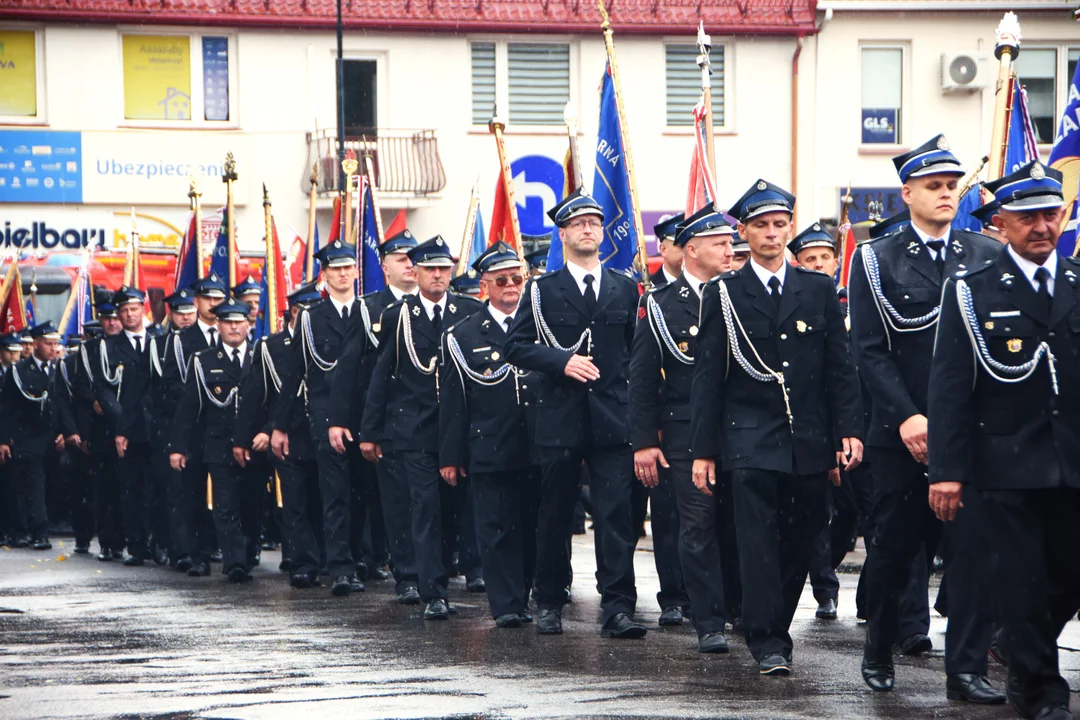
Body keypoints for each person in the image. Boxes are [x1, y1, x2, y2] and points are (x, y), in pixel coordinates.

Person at [849, 135, 1004, 700]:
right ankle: (878, 647)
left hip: (971, 435)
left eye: (951, 186)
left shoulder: (984, 254)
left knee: (973, 553)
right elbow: (869, 350)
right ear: (907, 192)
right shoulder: (876, 257)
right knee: (895, 549)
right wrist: (908, 418)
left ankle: (966, 669)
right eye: (934, 186)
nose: (945, 194)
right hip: (903, 435)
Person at [690, 179, 863, 676]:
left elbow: (839, 367)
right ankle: (768, 640)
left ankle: (770, 620)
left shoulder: (818, 287)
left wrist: (848, 428)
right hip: (748, 437)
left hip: (808, 436)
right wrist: (704, 450)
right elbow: (708, 378)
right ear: (743, 231)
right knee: (757, 538)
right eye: (761, 225)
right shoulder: (724, 293)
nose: (771, 233)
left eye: (779, 224)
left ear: (790, 226)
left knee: (803, 534)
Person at [929, 161, 1079, 720]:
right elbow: (949, 391)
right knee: (1018, 580)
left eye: (1050, 213)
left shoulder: (1078, 282)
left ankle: (1023, 653)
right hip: (1006, 464)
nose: (1041, 226)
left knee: (1068, 575)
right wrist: (947, 470)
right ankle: (1042, 691)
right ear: (1002, 222)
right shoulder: (972, 292)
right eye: (1027, 216)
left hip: (1074, 462)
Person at [505, 188, 647, 640]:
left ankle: (618, 606)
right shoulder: (543, 290)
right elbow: (515, 347)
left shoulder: (625, 286)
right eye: (579, 224)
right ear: (562, 234)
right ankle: (549, 600)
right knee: (556, 515)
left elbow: (633, 353)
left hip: (612, 417)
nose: (588, 229)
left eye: (595, 223)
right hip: (560, 416)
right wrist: (560, 360)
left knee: (616, 517)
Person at [359, 235, 483, 619]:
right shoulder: (400, 315)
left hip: (459, 427)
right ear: (417, 271)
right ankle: (431, 590)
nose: (438, 276)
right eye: (430, 269)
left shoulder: (466, 311)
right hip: (414, 428)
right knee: (423, 508)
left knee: (455, 508)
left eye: (444, 269)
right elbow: (382, 374)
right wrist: (370, 430)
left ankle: (448, 570)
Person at [630, 204, 736, 653]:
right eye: (720, 243)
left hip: (740, 429)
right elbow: (641, 378)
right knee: (697, 526)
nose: (730, 250)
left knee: (741, 525)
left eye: (731, 242)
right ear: (691, 249)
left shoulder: (740, 293)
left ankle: (741, 607)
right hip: (685, 431)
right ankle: (708, 618)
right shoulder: (659, 305)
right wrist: (643, 442)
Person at [439, 241, 540, 627]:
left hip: (534, 444)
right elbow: (453, 401)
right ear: (486, 285)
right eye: (502, 280)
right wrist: (451, 455)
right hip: (489, 446)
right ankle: (507, 605)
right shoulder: (462, 335)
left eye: (518, 278)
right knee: (497, 528)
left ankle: (526, 593)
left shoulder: (538, 323)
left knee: (531, 526)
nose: (512, 286)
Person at [273, 241, 369, 597]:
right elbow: (294, 373)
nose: (343, 274)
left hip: (364, 417)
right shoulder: (312, 318)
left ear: (357, 272)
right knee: (335, 495)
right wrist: (280, 426)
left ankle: (359, 560)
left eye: (348, 268)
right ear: (324, 276)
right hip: (325, 418)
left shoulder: (368, 311)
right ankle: (340, 567)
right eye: (335, 269)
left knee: (362, 494)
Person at [331, 229, 420, 601]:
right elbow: (348, 368)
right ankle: (403, 573)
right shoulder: (368, 308)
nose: (411, 266)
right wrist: (338, 419)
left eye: (414, 258)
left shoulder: (436, 302)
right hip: (383, 418)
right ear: (384, 267)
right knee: (388, 501)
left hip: (429, 418)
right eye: (402, 259)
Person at [237, 282, 324, 588]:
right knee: (295, 502)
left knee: (322, 499)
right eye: (306, 311)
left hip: (321, 430)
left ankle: (326, 558)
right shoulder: (270, 346)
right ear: (294, 312)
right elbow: (255, 395)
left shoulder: (326, 339)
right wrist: (247, 436)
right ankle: (302, 562)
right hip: (286, 433)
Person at [171, 299, 261, 583]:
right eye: (228, 322)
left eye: (239, 321)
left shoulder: (262, 355)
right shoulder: (203, 361)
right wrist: (178, 447)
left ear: (249, 324)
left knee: (253, 505)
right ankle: (235, 562)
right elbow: (188, 408)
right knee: (225, 505)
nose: (234, 327)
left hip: (255, 447)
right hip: (219, 445)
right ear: (218, 325)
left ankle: (247, 554)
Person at [161, 276, 226, 577]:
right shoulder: (181, 341)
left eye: (219, 299)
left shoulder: (234, 334)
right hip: (196, 428)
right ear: (196, 302)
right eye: (208, 299)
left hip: (226, 429)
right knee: (192, 495)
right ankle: (196, 553)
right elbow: (172, 387)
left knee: (230, 494)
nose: (214, 304)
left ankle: (235, 553)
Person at [93, 287, 155, 566]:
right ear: (117, 313)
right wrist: (124, 425)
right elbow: (105, 390)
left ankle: (162, 544)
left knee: (160, 490)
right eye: (124, 310)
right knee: (131, 491)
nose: (129, 315)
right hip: (125, 431)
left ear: (143, 309)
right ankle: (137, 547)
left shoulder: (160, 340)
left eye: (134, 308)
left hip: (157, 428)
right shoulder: (108, 346)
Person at [0, 321, 63, 551]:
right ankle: (38, 532)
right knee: (32, 485)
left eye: (55, 343)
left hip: (54, 436)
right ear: (35, 344)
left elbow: (63, 404)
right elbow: (6, 407)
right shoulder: (19, 371)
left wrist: (67, 432)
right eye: (48, 343)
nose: (53, 348)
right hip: (28, 436)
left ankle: (42, 526)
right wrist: (4, 439)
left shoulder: (60, 368)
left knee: (52, 484)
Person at [649, 213, 685, 287]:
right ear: (663, 250)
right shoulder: (647, 287)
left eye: (692, 247)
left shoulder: (707, 285)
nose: (688, 252)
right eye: (681, 246)